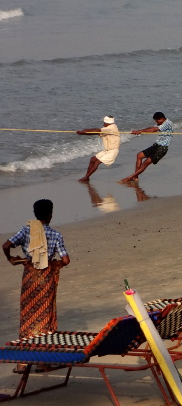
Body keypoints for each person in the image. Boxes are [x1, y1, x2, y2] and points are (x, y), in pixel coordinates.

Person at [3, 200, 70, 372]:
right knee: (44, 316)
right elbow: (65, 260)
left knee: (28, 315)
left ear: (35, 214)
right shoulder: (56, 235)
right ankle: (42, 361)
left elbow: (6, 245)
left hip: (29, 278)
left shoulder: (26, 231)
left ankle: (22, 363)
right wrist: (56, 265)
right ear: (50, 214)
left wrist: (11, 259)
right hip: (45, 278)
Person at [119, 111, 173, 183]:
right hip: (156, 145)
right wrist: (139, 131)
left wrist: (140, 131)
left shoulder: (168, 123)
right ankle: (135, 177)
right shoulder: (162, 123)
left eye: (157, 121)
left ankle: (130, 177)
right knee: (139, 155)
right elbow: (152, 128)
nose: (156, 122)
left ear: (161, 119)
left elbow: (154, 130)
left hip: (162, 148)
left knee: (145, 163)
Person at [76, 115, 121, 182]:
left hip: (112, 151)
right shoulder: (108, 128)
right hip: (106, 151)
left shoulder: (111, 128)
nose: (103, 124)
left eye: (104, 123)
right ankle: (87, 177)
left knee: (97, 162)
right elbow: (96, 133)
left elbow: (97, 130)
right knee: (93, 159)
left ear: (107, 123)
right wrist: (83, 133)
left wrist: (84, 131)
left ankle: (86, 177)